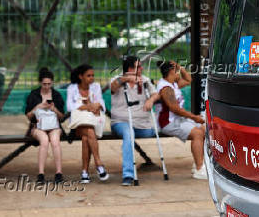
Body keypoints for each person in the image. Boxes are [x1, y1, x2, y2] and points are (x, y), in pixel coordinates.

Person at [110, 56, 159, 186]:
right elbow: (113, 87)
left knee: (136, 133)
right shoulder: (117, 80)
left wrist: (151, 100)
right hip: (121, 122)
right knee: (128, 133)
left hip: (143, 125)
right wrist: (127, 78)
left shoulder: (145, 80)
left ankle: (129, 173)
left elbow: (156, 94)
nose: (142, 68)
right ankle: (128, 175)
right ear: (130, 69)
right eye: (139, 66)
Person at [155, 60, 207, 180]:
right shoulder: (165, 88)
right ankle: (199, 169)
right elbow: (175, 109)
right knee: (197, 133)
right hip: (168, 122)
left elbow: (189, 79)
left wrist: (180, 67)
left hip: (178, 119)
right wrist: (194, 117)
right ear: (171, 72)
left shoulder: (173, 84)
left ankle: (198, 163)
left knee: (204, 130)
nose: (179, 72)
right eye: (177, 70)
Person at [67, 64, 109, 183]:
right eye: (88, 75)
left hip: (93, 121)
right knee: (89, 132)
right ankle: (98, 163)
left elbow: (101, 102)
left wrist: (97, 106)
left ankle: (85, 173)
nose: (92, 78)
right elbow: (70, 106)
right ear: (81, 76)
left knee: (86, 138)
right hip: (78, 123)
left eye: (93, 75)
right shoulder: (72, 88)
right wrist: (87, 106)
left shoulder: (95, 87)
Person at [25, 67, 65, 184]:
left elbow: (61, 116)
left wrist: (54, 109)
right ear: (40, 83)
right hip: (37, 126)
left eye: (49, 84)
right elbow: (28, 115)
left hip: (54, 126)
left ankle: (59, 173)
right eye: (44, 84)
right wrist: (38, 107)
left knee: (55, 141)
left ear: (52, 83)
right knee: (44, 140)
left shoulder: (56, 95)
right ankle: (41, 174)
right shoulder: (34, 94)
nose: (47, 86)